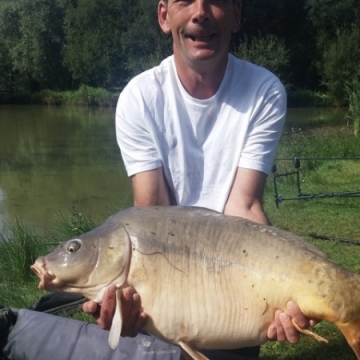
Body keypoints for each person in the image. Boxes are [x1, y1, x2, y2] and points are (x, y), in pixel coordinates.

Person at [1, 1, 315, 359]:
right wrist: (125, 295)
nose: (200, 12)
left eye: (215, 0)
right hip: (165, 279)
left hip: (233, 279)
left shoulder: (264, 90)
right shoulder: (140, 97)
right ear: (164, 16)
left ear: (237, 14)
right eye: (185, 1)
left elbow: (243, 205)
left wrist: (283, 289)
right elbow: (151, 212)